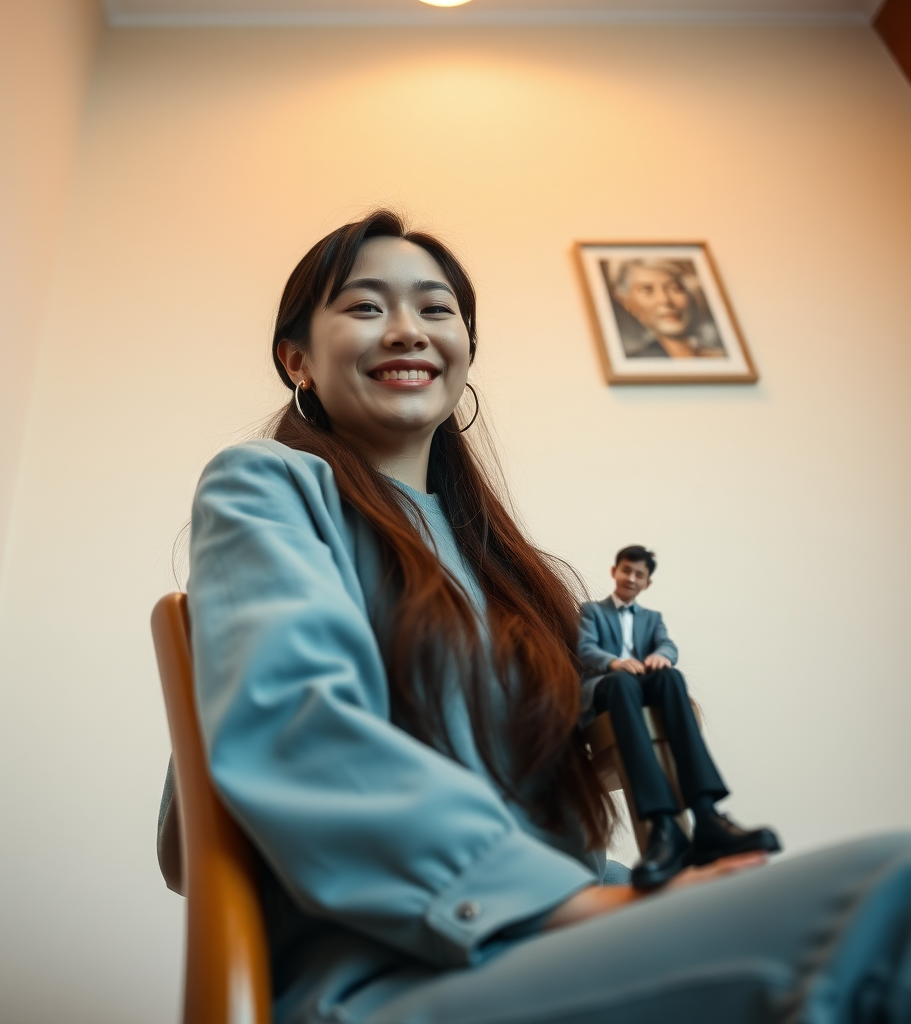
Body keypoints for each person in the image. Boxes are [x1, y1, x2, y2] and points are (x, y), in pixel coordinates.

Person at [184, 209, 911, 1024]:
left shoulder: (516, 579)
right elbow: (293, 731)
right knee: (893, 899)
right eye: (363, 307)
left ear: (464, 350)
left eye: (435, 309)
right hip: (381, 983)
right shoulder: (267, 486)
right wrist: (575, 907)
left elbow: (543, 829)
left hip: (546, 947)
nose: (406, 331)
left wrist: (645, 877)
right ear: (298, 361)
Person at [579, 546, 780, 889]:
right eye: (626, 571)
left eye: (639, 574)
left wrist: (660, 657)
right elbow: (586, 649)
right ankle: (663, 828)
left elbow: (668, 646)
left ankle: (706, 815)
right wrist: (614, 662)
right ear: (615, 572)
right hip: (605, 684)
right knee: (622, 684)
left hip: (641, 679)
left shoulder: (650, 619)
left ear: (647, 582)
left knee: (671, 678)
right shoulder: (592, 612)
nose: (631, 578)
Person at [607, 258, 726, 359]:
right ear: (627, 303)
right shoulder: (636, 362)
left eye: (675, 288)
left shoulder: (719, 357)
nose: (665, 300)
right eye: (647, 291)